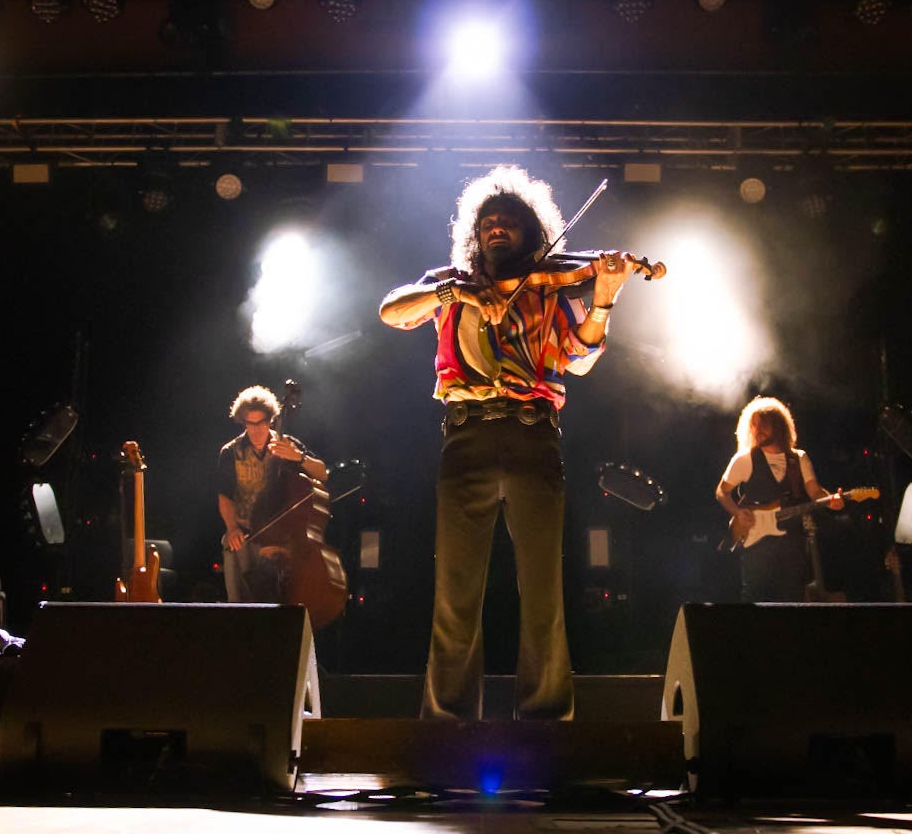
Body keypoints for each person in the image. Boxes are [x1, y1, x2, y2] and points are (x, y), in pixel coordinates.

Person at [379, 165, 639, 721]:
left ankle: (546, 721)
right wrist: (461, 293)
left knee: (543, 590)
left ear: (531, 232)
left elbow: (581, 356)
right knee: (455, 591)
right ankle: (447, 724)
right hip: (466, 435)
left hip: (532, 435)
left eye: (510, 223)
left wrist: (605, 298)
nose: (498, 229)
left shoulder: (545, 290)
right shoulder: (448, 283)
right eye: (489, 223)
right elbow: (392, 309)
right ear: (476, 234)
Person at [715, 396, 844, 602]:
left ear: (778, 426)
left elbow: (814, 492)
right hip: (756, 543)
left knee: (791, 599)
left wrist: (832, 500)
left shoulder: (799, 458)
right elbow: (722, 491)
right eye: (753, 425)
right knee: (756, 599)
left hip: (792, 541)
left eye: (763, 425)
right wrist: (737, 512)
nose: (757, 430)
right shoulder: (745, 459)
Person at [216, 385, 328, 603]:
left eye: (262, 423)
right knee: (238, 597)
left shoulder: (286, 444)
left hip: (284, 538)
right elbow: (224, 495)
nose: (257, 430)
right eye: (251, 424)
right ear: (243, 422)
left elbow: (323, 474)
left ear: (271, 420)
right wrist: (231, 528)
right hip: (246, 533)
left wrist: (300, 458)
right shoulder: (230, 452)